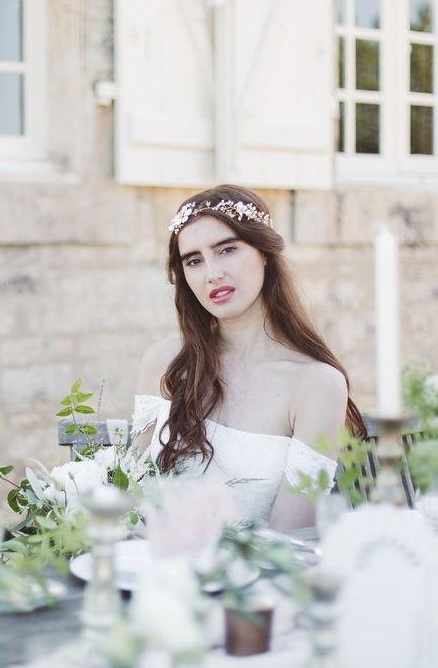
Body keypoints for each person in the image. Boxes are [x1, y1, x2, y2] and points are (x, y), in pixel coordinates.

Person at [133, 184, 366, 529]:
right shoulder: (166, 361)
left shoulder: (317, 385)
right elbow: (128, 492)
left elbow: (290, 540)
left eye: (226, 250)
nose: (211, 273)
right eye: (194, 261)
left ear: (264, 253)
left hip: (253, 578)